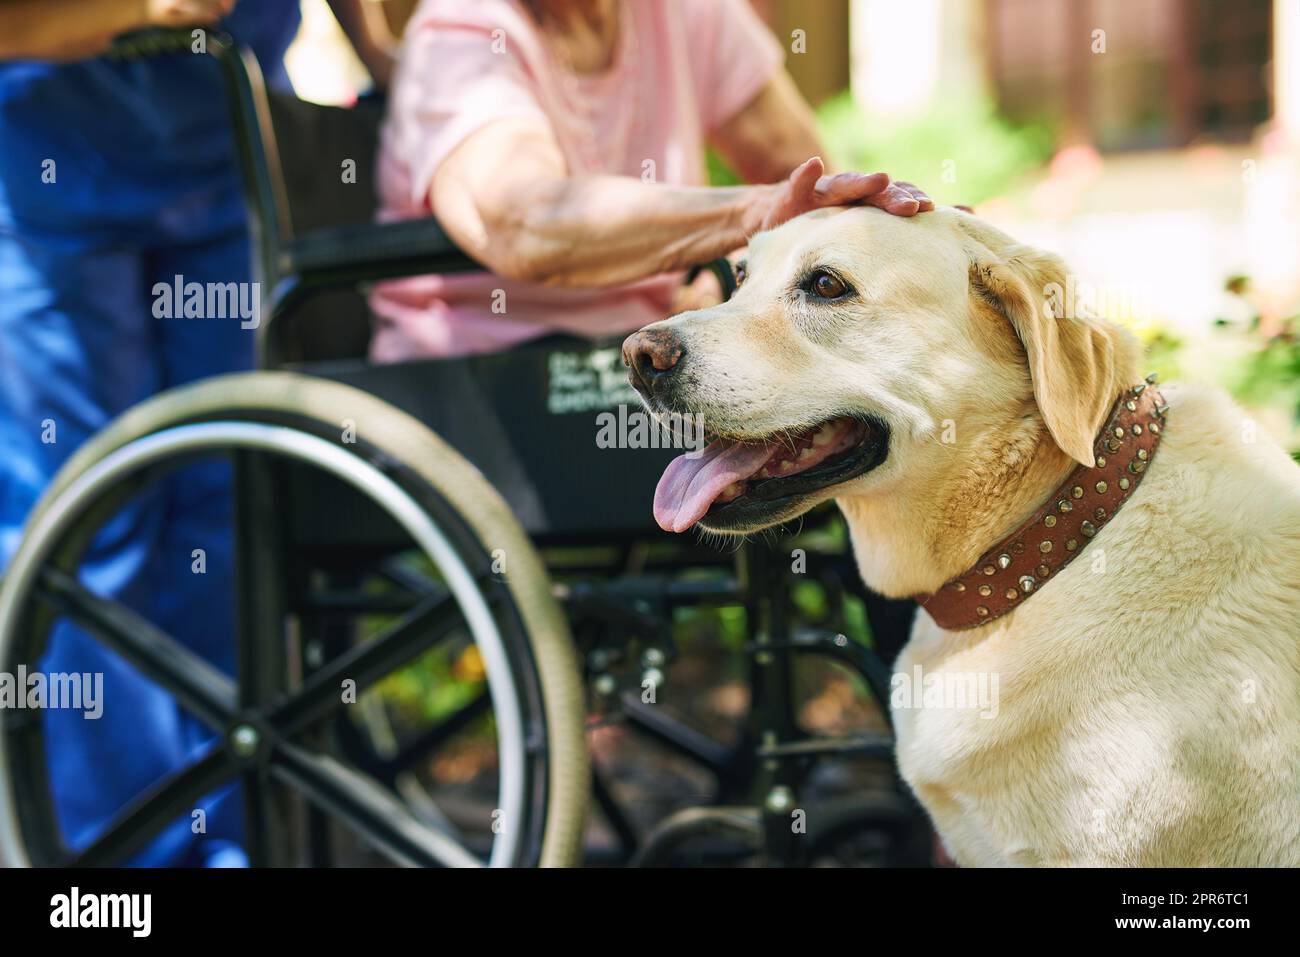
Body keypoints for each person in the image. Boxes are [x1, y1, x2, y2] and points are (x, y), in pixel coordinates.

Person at [0, 0, 394, 866]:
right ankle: (119, 864)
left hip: (231, 160)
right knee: (85, 523)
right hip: (47, 173)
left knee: (232, 509)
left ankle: (233, 838)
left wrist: (406, 77)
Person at [370, 0, 933, 361]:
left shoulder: (688, 13)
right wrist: (746, 217)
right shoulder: (461, 34)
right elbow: (527, 222)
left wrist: (737, 276)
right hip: (493, 364)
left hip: (654, 346)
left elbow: (809, 180)